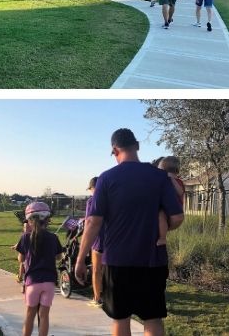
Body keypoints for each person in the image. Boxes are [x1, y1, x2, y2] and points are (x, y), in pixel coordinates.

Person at [75, 128, 184, 336]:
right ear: (138, 146)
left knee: (120, 320)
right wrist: (160, 229)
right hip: (153, 260)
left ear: (115, 150)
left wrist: (80, 259)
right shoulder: (159, 177)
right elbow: (178, 217)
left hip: (117, 261)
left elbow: (92, 223)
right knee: (152, 319)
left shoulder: (106, 179)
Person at [15, 201, 63, 336]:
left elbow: (21, 259)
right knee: (44, 315)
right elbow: (59, 257)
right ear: (47, 220)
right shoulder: (53, 238)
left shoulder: (25, 237)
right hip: (49, 282)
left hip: (32, 282)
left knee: (30, 314)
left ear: (29, 221)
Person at [156, 156, 186, 246]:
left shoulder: (177, 181)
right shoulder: (165, 180)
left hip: (173, 209)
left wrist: (171, 179)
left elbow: (180, 192)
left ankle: (162, 239)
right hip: (168, 207)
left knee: (161, 215)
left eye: (160, 169)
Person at [85, 176, 105, 308]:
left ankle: (97, 298)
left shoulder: (92, 201)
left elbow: (89, 222)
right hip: (113, 239)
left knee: (97, 270)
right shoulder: (112, 199)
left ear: (93, 188)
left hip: (98, 239)